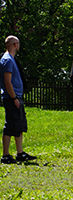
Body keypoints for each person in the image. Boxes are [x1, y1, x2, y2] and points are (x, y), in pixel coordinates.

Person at [1, 36, 35, 164]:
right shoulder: (8, 60)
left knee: (18, 125)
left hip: (16, 97)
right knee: (10, 125)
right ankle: (5, 155)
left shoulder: (11, 59)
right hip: (11, 97)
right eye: (18, 44)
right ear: (15, 44)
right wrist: (14, 97)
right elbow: (7, 81)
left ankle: (20, 153)